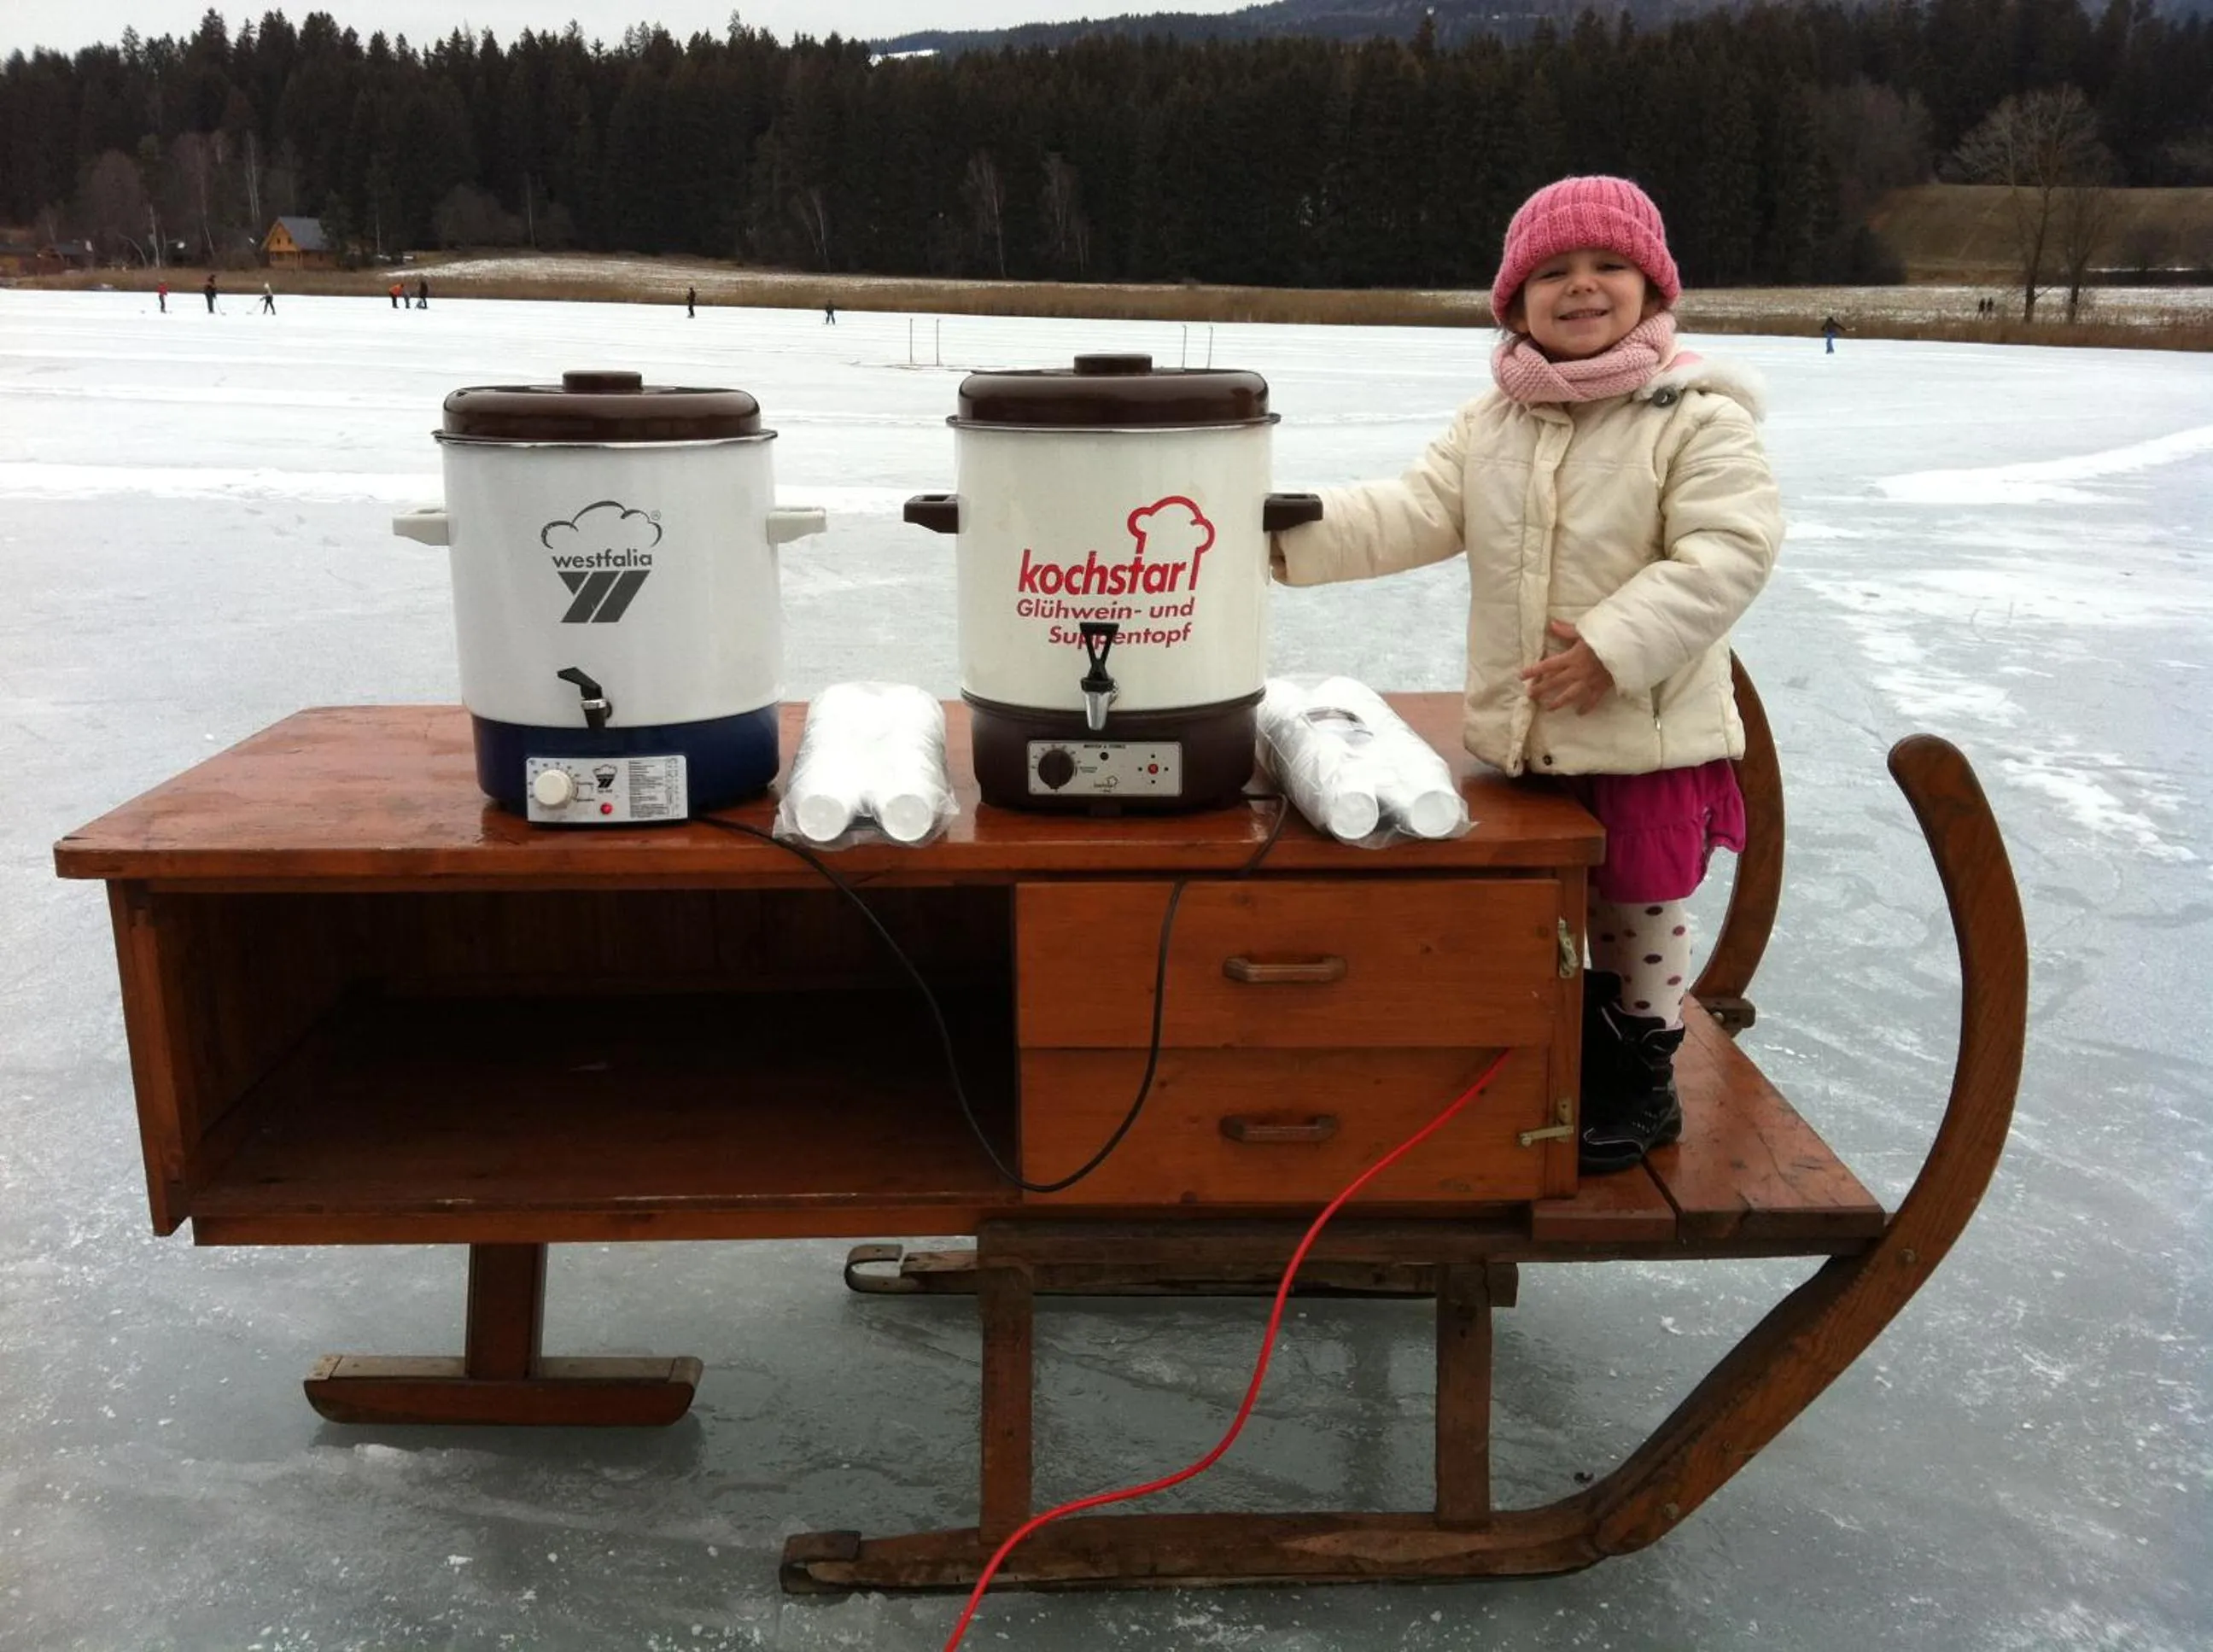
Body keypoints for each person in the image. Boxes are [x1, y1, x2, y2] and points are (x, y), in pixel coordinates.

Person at [1270, 175, 1784, 1173]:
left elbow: (1729, 551)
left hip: (1646, 730)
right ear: (1514, 299)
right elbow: (1412, 511)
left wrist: (1614, 646)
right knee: (1543, 905)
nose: (1580, 288)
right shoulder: (1493, 423)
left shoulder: (1696, 416)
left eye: (1607, 268)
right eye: (1553, 272)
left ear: (1651, 285)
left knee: (1637, 904)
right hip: (1535, 733)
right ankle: (1563, 1044)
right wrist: (1273, 533)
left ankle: (1643, 1076)